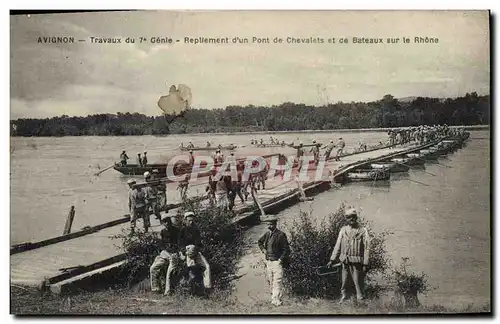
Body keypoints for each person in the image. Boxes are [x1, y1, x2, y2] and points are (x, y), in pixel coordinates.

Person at [327, 208, 370, 302]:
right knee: (345, 280)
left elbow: (367, 247)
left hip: (357, 260)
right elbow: (337, 245)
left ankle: (360, 297)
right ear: (346, 219)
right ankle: (344, 296)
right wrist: (332, 259)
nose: (351, 219)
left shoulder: (363, 230)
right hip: (345, 260)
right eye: (349, 217)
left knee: (357, 280)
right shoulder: (343, 230)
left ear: (356, 217)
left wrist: (366, 263)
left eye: (353, 217)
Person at [258, 215, 290, 307]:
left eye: (271, 224)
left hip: (277, 262)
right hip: (269, 262)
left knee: (277, 281)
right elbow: (259, 242)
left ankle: (276, 300)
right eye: (268, 224)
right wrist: (263, 250)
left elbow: (286, 249)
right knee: (271, 281)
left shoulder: (281, 235)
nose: (269, 226)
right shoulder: (267, 234)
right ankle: (274, 298)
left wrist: (280, 260)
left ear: (275, 224)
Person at [150, 215, 182, 295]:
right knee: (153, 268)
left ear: (170, 221)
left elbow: (180, 244)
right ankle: (155, 289)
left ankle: (168, 291)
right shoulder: (162, 232)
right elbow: (161, 245)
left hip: (174, 253)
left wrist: (177, 252)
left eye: (168, 221)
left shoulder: (177, 231)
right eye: (165, 221)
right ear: (162, 223)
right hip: (165, 253)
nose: (167, 223)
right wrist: (165, 252)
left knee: (170, 271)